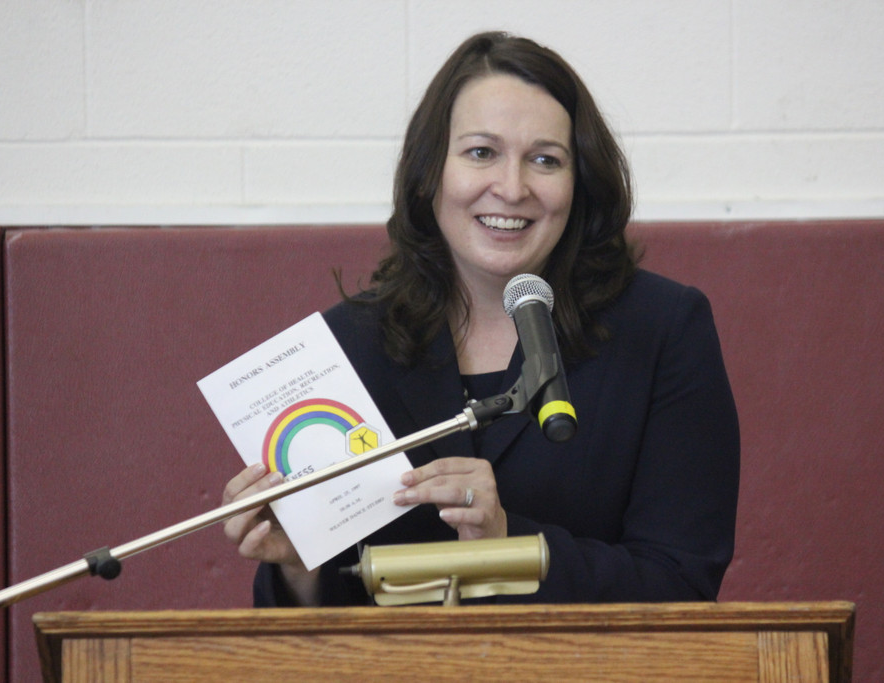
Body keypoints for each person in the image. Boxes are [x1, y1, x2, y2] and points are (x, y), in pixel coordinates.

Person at [222, 31, 739, 606]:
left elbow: (682, 584)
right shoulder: (349, 346)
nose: (512, 188)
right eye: (481, 153)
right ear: (429, 173)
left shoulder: (661, 330)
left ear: (580, 184)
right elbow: (316, 627)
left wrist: (506, 541)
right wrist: (299, 566)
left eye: (545, 159)